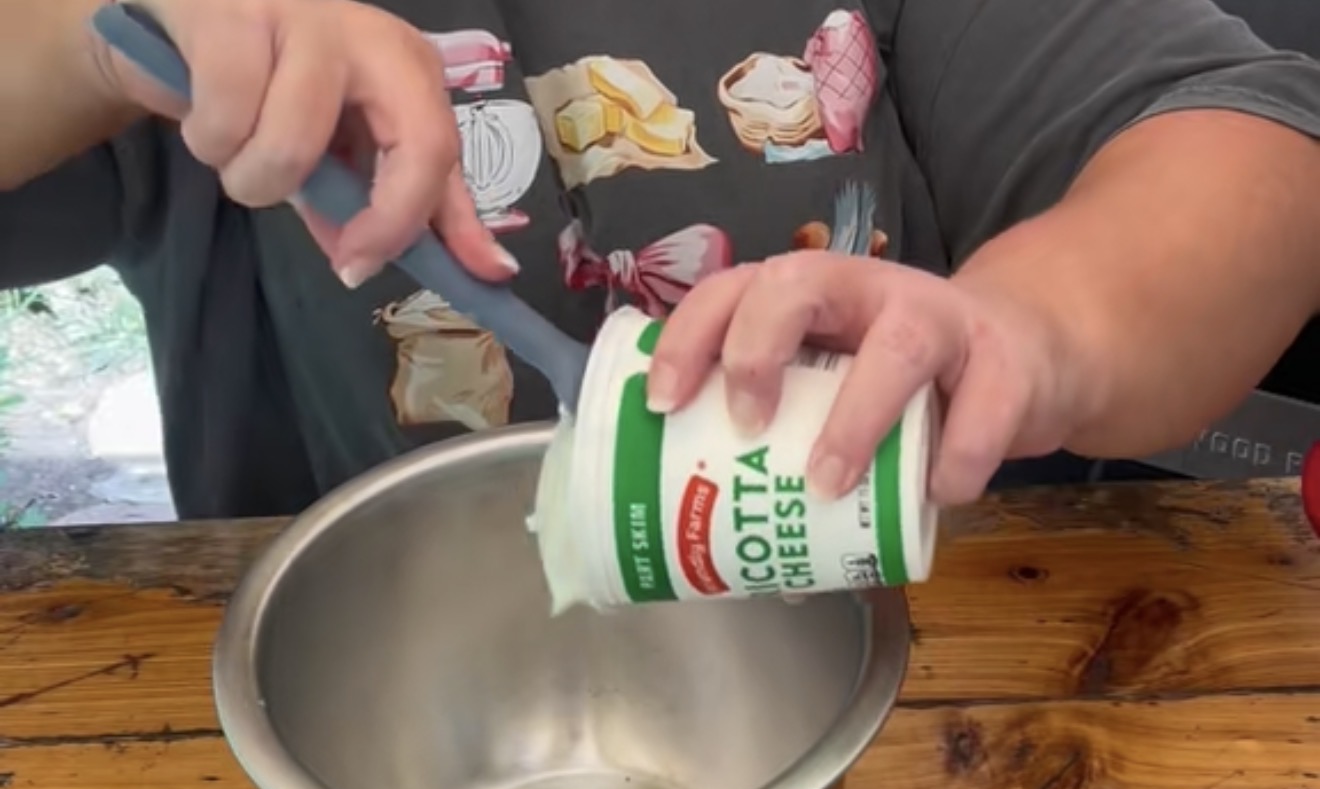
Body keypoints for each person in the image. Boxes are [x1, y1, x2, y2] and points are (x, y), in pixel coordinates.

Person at [2, 0, 1319, 519]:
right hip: (344, 718)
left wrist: (1040, 326)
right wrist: (75, 44)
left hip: (906, 678)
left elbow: (1265, 155)